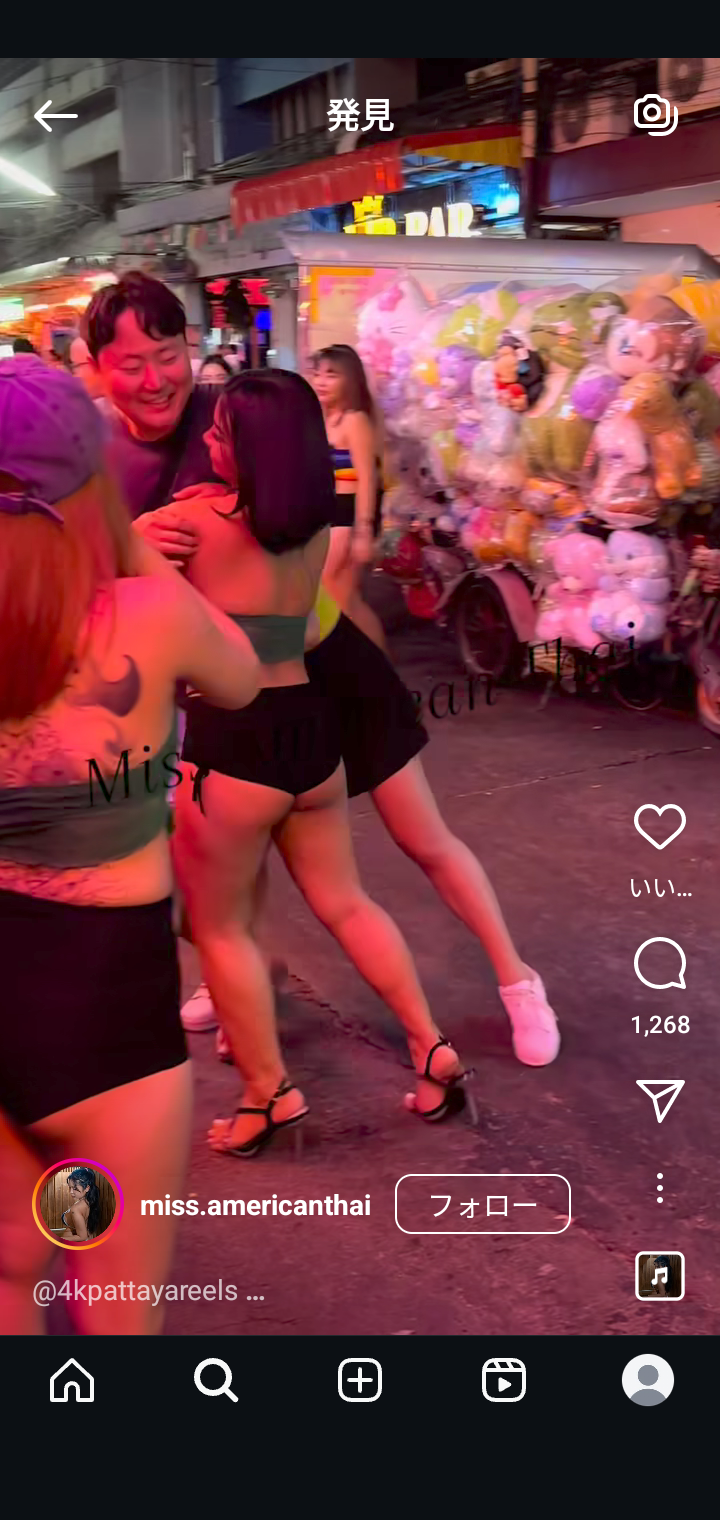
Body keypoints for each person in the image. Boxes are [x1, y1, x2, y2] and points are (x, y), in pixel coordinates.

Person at [0, 355, 260, 1334]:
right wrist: (132, 545)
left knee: (10, 1272)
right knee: (111, 1309)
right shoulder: (147, 615)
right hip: (105, 1020)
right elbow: (241, 676)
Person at [171, 370, 474, 1156]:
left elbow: (112, 572)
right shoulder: (313, 526)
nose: (208, 441)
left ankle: (266, 1095)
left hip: (234, 740)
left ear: (250, 447)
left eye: (221, 433)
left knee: (220, 926)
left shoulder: (192, 521)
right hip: (311, 732)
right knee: (348, 903)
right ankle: (430, 1046)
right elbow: (307, 629)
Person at [310, 344, 386, 649]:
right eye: (317, 373)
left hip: (348, 516)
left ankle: (379, 666)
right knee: (341, 599)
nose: (321, 381)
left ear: (350, 380)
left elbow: (368, 478)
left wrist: (363, 531)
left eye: (331, 374)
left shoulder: (354, 420)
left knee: (340, 600)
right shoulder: (324, 418)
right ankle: (370, 665)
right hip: (329, 516)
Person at [60, 1167, 102, 1243]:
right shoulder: (89, 1201)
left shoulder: (76, 1209)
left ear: (87, 1188)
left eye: (75, 1188)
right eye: (70, 1187)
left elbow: (82, 1237)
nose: (71, 1192)